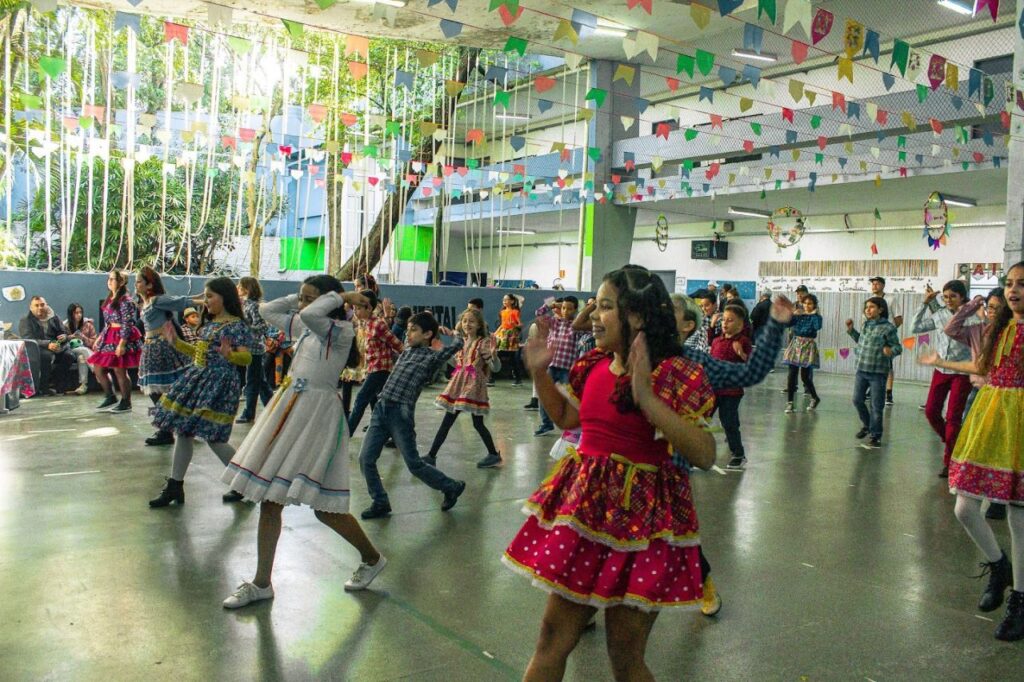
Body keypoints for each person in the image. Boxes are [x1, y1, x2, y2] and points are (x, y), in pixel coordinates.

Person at [505, 265, 716, 680]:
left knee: (624, 656)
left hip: (643, 529)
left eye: (604, 307)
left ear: (636, 316)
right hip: (586, 517)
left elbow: (705, 454)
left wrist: (645, 396)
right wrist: (541, 374)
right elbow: (568, 417)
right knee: (551, 638)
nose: (593, 317)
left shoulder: (673, 373)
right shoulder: (594, 365)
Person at [221, 276, 385, 608]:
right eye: (301, 298)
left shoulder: (339, 332)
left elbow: (312, 315)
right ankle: (262, 582)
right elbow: (267, 309)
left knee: (325, 509)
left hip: (317, 417)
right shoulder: (308, 327)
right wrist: (304, 297)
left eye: (310, 298)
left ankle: (372, 557)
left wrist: (337, 296)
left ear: (331, 302)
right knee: (270, 499)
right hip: (290, 410)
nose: (302, 305)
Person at [919, 261, 1024, 641]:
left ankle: (1020, 601)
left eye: (1022, 284)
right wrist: (970, 304)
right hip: (989, 418)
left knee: (1018, 516)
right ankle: (999, 565)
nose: (1014, 290)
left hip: (1020, 425)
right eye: (1009, 283)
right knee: (964, 506)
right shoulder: (995, 327)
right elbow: (958, 337)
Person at [148, 277, 254, 508]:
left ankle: (244, 482)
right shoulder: (209, 323)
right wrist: (175, 342)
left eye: (209, 296)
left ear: (224, 297)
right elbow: (199, 353)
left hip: (220, 382)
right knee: (184, 431)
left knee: (214, 438)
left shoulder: (236, 325)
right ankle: (175, 485)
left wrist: (231, 356)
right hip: (198, 378)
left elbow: (246, 357)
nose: (205, 301)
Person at [358, 312, 467, 519]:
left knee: (414, 463)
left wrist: (452, 333)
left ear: (427, 334)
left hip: (401, 413)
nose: (408, 333)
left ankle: (451, 486)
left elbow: (456, 345)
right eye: (408, 329)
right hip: (382, 409)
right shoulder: (407, 350)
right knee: (366, 458)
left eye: (414, 330)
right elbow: (394, 335)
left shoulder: (432, 357)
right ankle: (380, 501)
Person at [945, 288, 1007, 520]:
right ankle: (973, 489)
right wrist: (970, 306)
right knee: (973, 440)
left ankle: (999, 499)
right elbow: (950, 329)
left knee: (1000, 445)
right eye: (990, 307)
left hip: (1005, 397)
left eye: (999, 309)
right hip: (980, 392)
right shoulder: (977, 331)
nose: (993, 312)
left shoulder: (1012, 333)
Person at [911, 280, 976, 478]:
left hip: (961, 372)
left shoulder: (972, 318)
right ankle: (952, 442)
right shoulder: (939, 315)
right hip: (940, 369)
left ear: (962, 297)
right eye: (945, 297)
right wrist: (924, 304)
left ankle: (949, 462)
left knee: (954, 418)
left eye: (952, 297)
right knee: (931, 411)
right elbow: (915, 327)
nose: (948, 300)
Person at [425, 307, 502, 469]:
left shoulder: (483, 343)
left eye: (472, 321)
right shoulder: (462, 342)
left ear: (479, 325)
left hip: (473, 383)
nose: (467, 324)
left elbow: (495, 368)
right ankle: (493, 454)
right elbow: (457, 363)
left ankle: (432, 455)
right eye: (465, 321)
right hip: (459, 382)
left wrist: (494, 356)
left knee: (466, 422)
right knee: (466, 422)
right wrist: (441, 351)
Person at [135, 267, 196, 446]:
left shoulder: (157, 300)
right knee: (156, 391)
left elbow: (182, 302)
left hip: (161, 349)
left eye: (139, 281)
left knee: (162, 391)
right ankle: (167, 427)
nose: (136, 285)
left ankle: (169, 427)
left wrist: (208, 298)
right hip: (151, 349)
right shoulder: (145, 302)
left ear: (149, 285)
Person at [846, 297, 902, 449]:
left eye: (871, 307)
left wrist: (891, 351)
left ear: (881, 310)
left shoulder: (888, 328)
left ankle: (875, 435)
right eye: (866, 307)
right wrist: (851, 331)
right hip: (861, 369)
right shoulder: (865, 325)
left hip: (878, 373)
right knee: (857, 400)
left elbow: (898, 347)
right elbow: (861, 341)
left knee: (876, 406)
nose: (868, 310)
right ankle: (867, 425)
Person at [347, 290, 404, 435]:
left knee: (361, 399)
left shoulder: (378, 325)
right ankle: (389, 431)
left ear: (369, 308)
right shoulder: (365, 323)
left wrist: (410, 356)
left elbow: (395, 343)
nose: (356, 311)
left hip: (381, 368)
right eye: (355, 308)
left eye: (359, 308)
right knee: (379, 402)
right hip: (372, 367)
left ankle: (348, 432)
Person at [87, 270, 143, 413]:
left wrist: (122, 343)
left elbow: (127, 323)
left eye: (113, 279)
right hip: (109, 335)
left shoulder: (126, 301)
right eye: (109, 279)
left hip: (121, 337)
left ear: (121, 282)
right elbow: (108, 323)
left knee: (120, 370)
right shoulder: (110, 299)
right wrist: (100, 338)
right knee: (98, 368)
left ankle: (126, 401)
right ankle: (110, 396)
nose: (110, 282)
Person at [710, 304, 753, 470]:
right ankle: (693, 454)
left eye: (730, 320)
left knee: (729, 422)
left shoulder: (743, 341)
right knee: (701, 420)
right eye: (723, 320)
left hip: (731, 391)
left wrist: (741, 354)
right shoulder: (716, 341)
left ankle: (738, 454)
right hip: (713, 388)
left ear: (740, 324)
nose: (725, 323)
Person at [533, 295, 582, 437]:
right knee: (544, 396)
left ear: (575, 310)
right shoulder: (555, 322)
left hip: (567, 368)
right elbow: (539, 313)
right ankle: (546, 424)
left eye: (569, 309)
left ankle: (571, 426)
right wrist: (550, 303)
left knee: (570, 398)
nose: (566, 311)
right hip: (552, 365)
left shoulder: (577, 326)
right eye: (563, 308)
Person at [237, 277, 274, 424]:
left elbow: (263, 326)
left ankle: (249, 413)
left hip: (254, 349)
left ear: (247, 289)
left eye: (240, 286)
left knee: (252, 380)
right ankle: (272, 407)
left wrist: (246, 330)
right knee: (260, 381)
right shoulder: (245, 305)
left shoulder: (253, 306)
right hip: (248, 348)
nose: (237, 288)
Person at [19, 296, 74, 396]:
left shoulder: (54, 317)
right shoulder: (25, 320)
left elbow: (63, 332)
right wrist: (48, 344)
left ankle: (59, 385)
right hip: (38, 349)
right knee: (47, 357)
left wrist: (64, 336)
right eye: (36, 305)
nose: (40, 307)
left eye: (42, 305)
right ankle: (44, 388)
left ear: (46, 305)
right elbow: (29, 339)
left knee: (69, 356)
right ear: (31, 307)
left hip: (57, 346)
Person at [783, 294, 823, 413]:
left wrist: (814, 314)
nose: (806, 305)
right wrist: (792, 314)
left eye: (809, 303)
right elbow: (786, 324)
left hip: (807, 345)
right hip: (796, 344)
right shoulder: (799, 315)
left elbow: (817, 326)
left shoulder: (817, 317)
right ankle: (790, 402)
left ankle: (815, 397)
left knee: (805, 377)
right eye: (805, 303)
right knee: (791, 374)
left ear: (814, 305)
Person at [869, 276, 903, 405]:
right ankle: (872, 389)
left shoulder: (891, 299)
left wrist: (888, 332)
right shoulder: (869, 300)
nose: (874, 286)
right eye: (873, 284)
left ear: (883, 285)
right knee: (872, 362)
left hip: (886, 338)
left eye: (877, 284)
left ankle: (888, 393)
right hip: (872, 336)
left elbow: (898, 319)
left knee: (887, 364)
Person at [63, 303, 98, 395]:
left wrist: (83, 337)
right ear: (71, 314)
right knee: (83, 350)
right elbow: (63, 341)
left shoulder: (88, 324)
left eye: (80, 312)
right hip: (71, 350)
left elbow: (94, 342)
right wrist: (72, 337)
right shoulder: (65, 325)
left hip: (86, 350)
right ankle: (96, 370)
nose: (79, 315)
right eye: (76, 313)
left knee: (82, 357)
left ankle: (83, 385)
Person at [495, 293, 525, 386]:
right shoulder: (502, 312)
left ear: (512, 301)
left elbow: (520, 324)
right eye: (503, 300)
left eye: (507, 299)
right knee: (497, 354)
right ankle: (491, 377)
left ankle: (518, 378)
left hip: (511, 335)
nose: (504, 301)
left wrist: (515, 325)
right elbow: (502, 324)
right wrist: (496, 333)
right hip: (503, 335)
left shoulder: (515, 312)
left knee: (511, 357)